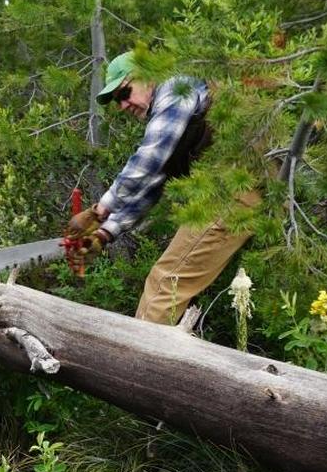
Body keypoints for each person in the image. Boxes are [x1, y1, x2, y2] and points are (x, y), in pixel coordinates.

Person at [67, 51, 257, 324]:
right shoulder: (173, 109)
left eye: (124, 93)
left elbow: (148, 160)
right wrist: (106, 233)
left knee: (167, 283)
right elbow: (153, 183)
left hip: (235, 191)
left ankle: (136, 363)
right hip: (230, 190)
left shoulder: (175, 89)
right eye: (117, 102)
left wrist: (101, 210)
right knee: (166, 282)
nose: (122, 106)